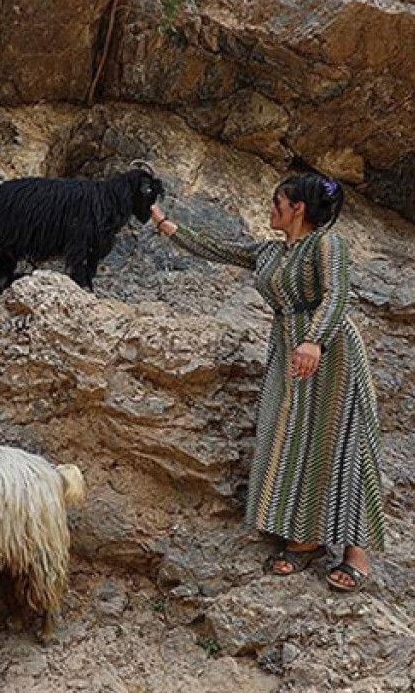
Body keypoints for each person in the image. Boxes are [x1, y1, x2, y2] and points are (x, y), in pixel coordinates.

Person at [149, 173, 385, 591]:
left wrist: (313, 340)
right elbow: (219, 249)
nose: (269, 209)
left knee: (343, 442)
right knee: (294, 439)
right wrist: (166, 224)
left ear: (298, 209)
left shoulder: (326, 244)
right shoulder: (272, 253)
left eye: (276, 202)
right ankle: (304, 538)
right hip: (288, 353)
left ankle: (357, 554)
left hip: (330, 353)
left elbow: (336, 295)